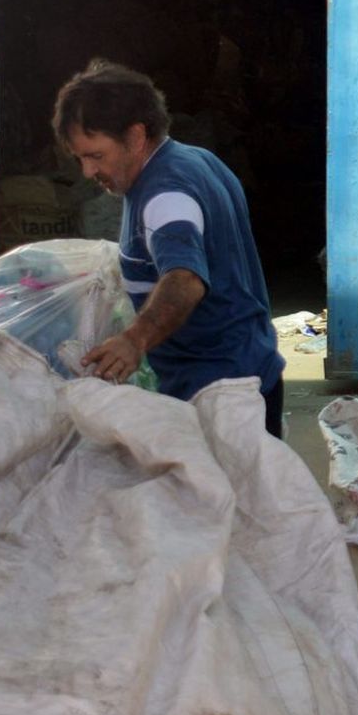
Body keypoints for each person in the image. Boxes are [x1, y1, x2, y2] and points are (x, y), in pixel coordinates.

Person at [52, 60, 286, 436]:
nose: (87, 172)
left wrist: (133, 340)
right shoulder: (196, 160)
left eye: (96, 155)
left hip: (221, 398)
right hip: (249, 372)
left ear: (136, 136)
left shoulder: (166, 194)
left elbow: (185, 279)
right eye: (80, 158)